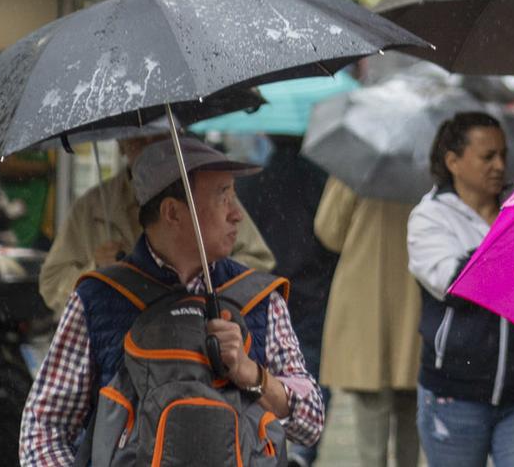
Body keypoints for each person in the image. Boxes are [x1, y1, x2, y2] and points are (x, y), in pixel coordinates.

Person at [17, 137, 324, 467]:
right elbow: (44, 427)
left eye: (234, 195)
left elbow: (310, 424)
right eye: (223, 197)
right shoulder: (99, 299)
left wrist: (251, 375)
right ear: (173, 212)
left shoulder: (260, 300)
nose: (237, 214)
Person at [407, 113, 514, 467]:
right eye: (487, 156)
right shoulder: (429, 217)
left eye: (502, 155)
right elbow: (456, 284)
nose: (499, 165)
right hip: (453, 396)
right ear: (453, 161)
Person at [38, 131, 277, 310]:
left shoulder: (203, 199)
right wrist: (96, 270)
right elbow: (51, 284)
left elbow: (258, 262)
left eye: (159, 139)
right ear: (121, 145)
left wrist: (201, 284)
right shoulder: (91, 208)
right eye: (139, 141)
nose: (150, 150)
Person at [237, 136, 340, 465]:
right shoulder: (318, 180)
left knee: (267, 370)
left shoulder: (252, 182)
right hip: (313, 286)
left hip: (266, 288)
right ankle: (303, 450)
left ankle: (273, 440)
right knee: (310, 369)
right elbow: (329, 234)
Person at [316, 177, 422, 467]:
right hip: (415, 296)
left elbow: (328, 231)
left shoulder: (356, 168)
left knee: (370, 420)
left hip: (365, 297)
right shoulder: (425, 162)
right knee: (411, 412)